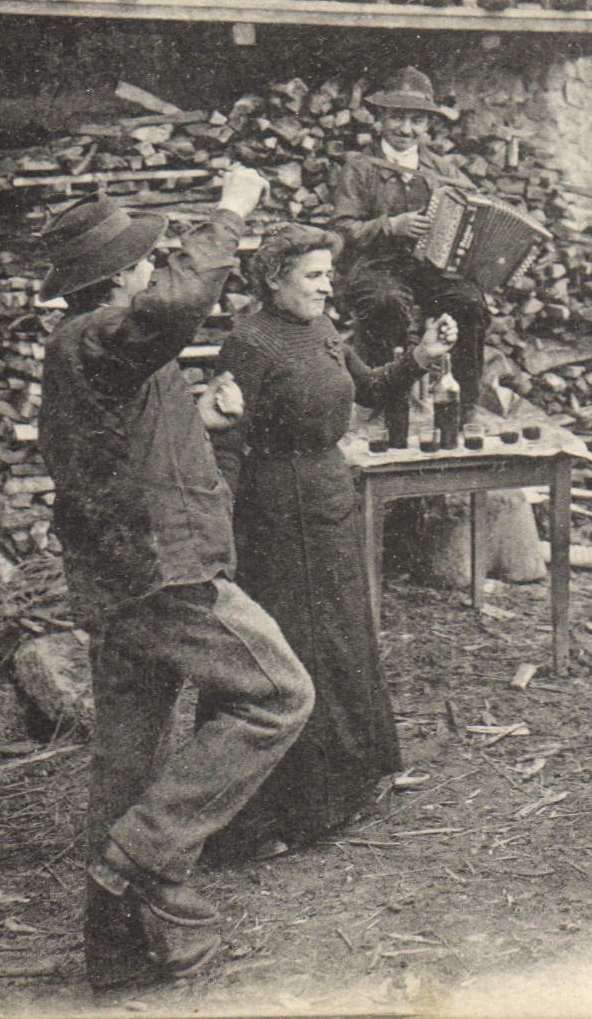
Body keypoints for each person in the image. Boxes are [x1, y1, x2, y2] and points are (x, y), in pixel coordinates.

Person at [38, 168, 316, 991]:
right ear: (118, 275)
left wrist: (201, 417)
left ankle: (121, 954)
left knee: (125, 763)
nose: (154, 266)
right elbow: (175, 304)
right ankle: (140, 855)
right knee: (278, 696)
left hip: (115, 577)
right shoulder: (105, 333)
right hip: (164, 570)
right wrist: (230, 212)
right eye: (143, 260)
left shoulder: (93, 347)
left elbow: (118, 439)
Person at [203, 225, 457, 849]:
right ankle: (278, 815)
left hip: (328, 496)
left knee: (341, 637)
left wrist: (420, 357)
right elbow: (228, 445)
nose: (327, 285)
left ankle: (345, 788)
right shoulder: (249, 343)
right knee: (296, 648)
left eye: (327, 274)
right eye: (313, 275)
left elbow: (367, 388)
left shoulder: (319, 328)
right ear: (273, 279)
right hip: (277, 514)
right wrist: (219, 538)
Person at [329, 65, 491, 417]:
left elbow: (476, 204)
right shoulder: (359, 167)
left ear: (428, 124)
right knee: (385, 303)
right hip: (375, 267)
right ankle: (387, 404)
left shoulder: (440, 167)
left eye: (416, 121)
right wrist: (390, 225)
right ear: (381, 118)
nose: (406, 129)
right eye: (397, 118)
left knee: (470, 303)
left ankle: (464, 408)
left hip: (428, 269)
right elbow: (342, 228)